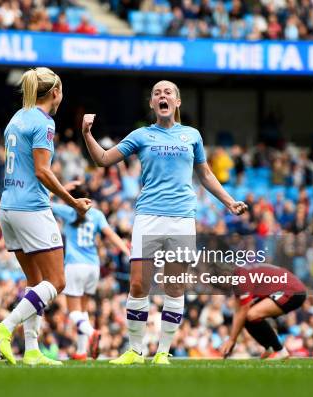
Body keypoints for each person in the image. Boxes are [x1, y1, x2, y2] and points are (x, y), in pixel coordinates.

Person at [81, 80, 247, 365]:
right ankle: (135, 350)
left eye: (167, 92)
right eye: (157, 93)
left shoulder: (192, 136)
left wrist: (229, 201)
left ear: (177, 101)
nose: (162, 95)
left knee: (174, 286)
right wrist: (87, 134)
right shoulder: (142, 135)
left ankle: (163, 352)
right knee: (137, 286)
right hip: (148, 216)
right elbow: (103, 160)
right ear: (152, 104)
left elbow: (205, 174)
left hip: (183, 218)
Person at [0, 67, 91, 366]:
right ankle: (3, 328)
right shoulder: (44, 123)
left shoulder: (17, 118)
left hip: (8, 208)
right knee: (56, 281)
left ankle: (31, 350)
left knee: (35, 281)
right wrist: (72, 202)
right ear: (55, 92)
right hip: (31, 208)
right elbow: (42, 171)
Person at [51, 186, 130, 360]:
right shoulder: (97, 214)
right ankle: (81, 351)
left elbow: (43, 201)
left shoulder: (68, 211)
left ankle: (91, 332)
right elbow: (110, 235)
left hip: (74, 265)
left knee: (73, 312)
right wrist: (126, 250)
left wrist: (64, 189)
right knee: (83, 310)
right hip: (93, 267)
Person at [220, 263, 307, 360]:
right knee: (246, 316)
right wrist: (232, 339)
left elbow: (243, 311)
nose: (221, 288)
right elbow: (238, 311)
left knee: (251, 315)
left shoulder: (242, 278)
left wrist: (232, 339)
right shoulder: (238, 277)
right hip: (285, 289)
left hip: (293, 291)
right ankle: (269, 347)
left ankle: (280, 351)